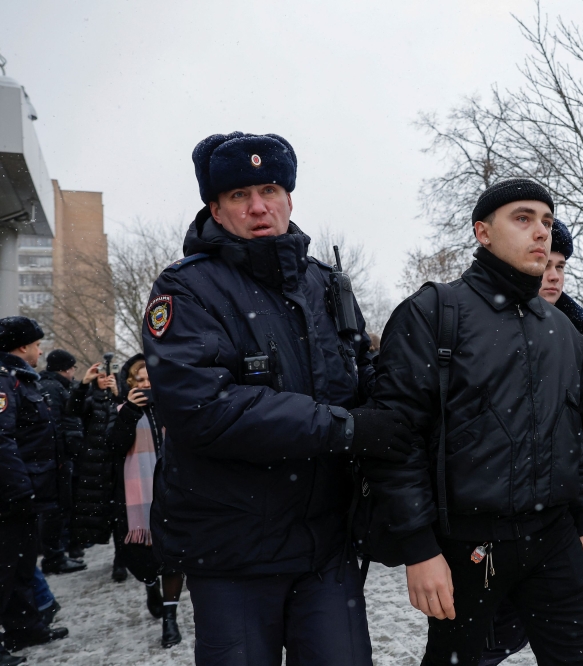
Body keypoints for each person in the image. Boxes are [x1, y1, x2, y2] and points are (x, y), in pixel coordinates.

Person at [143, 131, 412, 666]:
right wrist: (346, 428)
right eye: (240, 195)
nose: (259, 206)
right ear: (216, 209)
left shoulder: (327, 284)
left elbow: (361, 376)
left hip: (326, 546)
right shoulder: (185, 289)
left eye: (270, 189)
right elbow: (204, 410)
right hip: (233, 551)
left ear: (290, 198)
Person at [367, 178, 583, 666]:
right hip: (468, 546)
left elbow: (571, 437)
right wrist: (418, 548)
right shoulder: (433, 312)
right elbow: (396, 441)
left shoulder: (560, 328)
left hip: (555, 538)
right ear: (483, 232)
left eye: (546, 220)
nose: (541, 231)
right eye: (523, 219)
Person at [480, 219, 583, 666]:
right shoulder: (492, 330)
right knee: (495, 633)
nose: (553, 275)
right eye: (546, 264)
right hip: (529, 517)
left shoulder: (582, 335)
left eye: (561, 265)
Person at [0, 317, 71, 657]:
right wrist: (18, 489)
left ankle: (26, 629)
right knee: (6, 569)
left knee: (23, 566)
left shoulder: (21, 379)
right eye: (37, 344)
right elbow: (2, 439)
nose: (41, 350)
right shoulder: (5, 381)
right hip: (12, 493)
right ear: (23, 346)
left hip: (29, 489)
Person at [108, 354, 184, 649]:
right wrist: (129, 410)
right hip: (137, 498)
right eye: (139, 380)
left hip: (173, 492)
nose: (146, 384)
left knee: (174, 557)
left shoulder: (172, 406)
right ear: (130, 384)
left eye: (150, 379)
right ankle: (151, 587)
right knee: (143, 560)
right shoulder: (121, 410)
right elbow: (114, 445)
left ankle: (170, 618)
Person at [65, 358, 120, 580]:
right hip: (96, 464)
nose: (105, 380)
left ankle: (121, 558)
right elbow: (72, 409)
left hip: (117, 463)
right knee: (102, 511)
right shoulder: (89, 399)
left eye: (108, 376)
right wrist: (84, 384)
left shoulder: (119, 397)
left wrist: (118, 394)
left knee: (120, 512)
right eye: (101, 376)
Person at [37, 349, 86, 575]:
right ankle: (54, 557)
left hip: (63, 456)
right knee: (55, 510)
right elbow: (55, 424)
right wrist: (61, 456)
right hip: (59, 458)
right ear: (66, 368)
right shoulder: (53, 388)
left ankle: (60, 552)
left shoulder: (56, 386)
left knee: (62, 507)